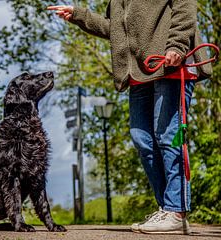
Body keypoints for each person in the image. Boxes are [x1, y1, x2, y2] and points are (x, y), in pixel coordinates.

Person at [47, 1, 212, 235]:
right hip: (139, 72)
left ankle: (177, 210)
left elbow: (186, 6)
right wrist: (79, 15)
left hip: (171, 64)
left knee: (168, 136)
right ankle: (167, 208)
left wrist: (177, 44)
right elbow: (115, 29)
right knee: (141, 138)